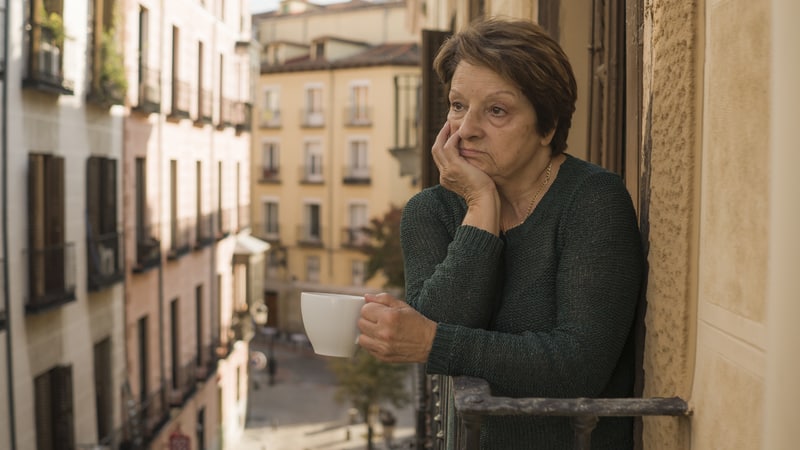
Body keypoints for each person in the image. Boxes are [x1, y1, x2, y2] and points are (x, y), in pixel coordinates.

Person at [356, 16, 643, 450]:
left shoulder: (593, 200)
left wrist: (436, 342)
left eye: (496, 110)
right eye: (457, 105)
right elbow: (438, 319)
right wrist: (481, 206)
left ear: (547, 126)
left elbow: (577, 367)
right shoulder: (430, 212)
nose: (466, 128)